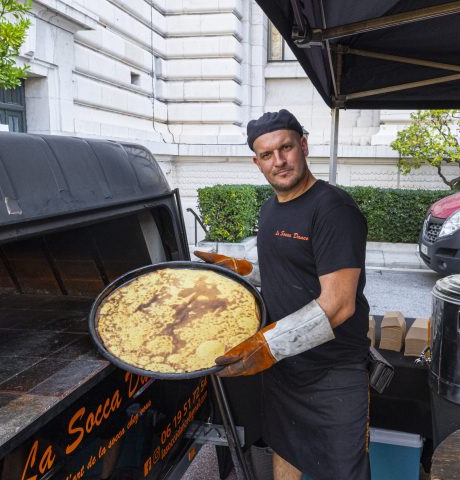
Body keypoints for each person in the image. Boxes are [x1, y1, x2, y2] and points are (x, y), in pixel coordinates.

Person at [195, 109, 370, 480]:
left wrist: (266, 346)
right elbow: (290, 269)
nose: (279, 161)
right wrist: (242, 271)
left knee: (342, 471)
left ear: (303, 146)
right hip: (286, 365)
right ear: (256, 162)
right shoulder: (271, 208)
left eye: (286, 148)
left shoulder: (334, 209)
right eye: (267, 154)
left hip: (332, 371)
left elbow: (338, 304)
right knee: (286, 447)